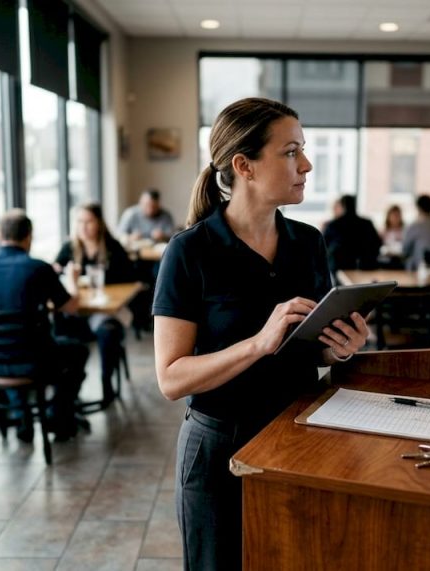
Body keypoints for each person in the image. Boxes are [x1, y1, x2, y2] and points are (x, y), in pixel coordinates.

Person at [152, 97, 370, 571]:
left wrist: (341, 350)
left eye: (303, 150)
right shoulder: (189, 252)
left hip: (300, 438)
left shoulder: (309, 243)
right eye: (291, 152)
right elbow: (171, 379)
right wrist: (257, 343)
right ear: (244, 166)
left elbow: (314, 350)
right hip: (218, 452)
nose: (306, 165)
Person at [0, 209, 88, 441]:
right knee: (77, 350)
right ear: (29, 236)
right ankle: (56, 417)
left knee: (9, 348)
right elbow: (70, 307)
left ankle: (22, 418)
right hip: (33, 363)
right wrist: (72, 281)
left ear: (0, 235)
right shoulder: (37, 268)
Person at [52, 203, 137, 406]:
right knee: (57, 327)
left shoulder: (112, 247)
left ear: (99, 223)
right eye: (80, 222)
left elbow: (130, 278)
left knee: (108, 331)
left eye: (89, 221)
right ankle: (66, 392)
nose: (84, 226)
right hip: (76, 313)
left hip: (104, 310)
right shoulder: (69, 248)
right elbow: (55, 276)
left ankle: (106, 382)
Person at [322, 194, 382, 271]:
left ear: (342, 206)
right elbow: (377, 244)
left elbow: (323, 247)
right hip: (366, 268)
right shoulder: (367, 223)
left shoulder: (333, 225)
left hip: (339, 268)